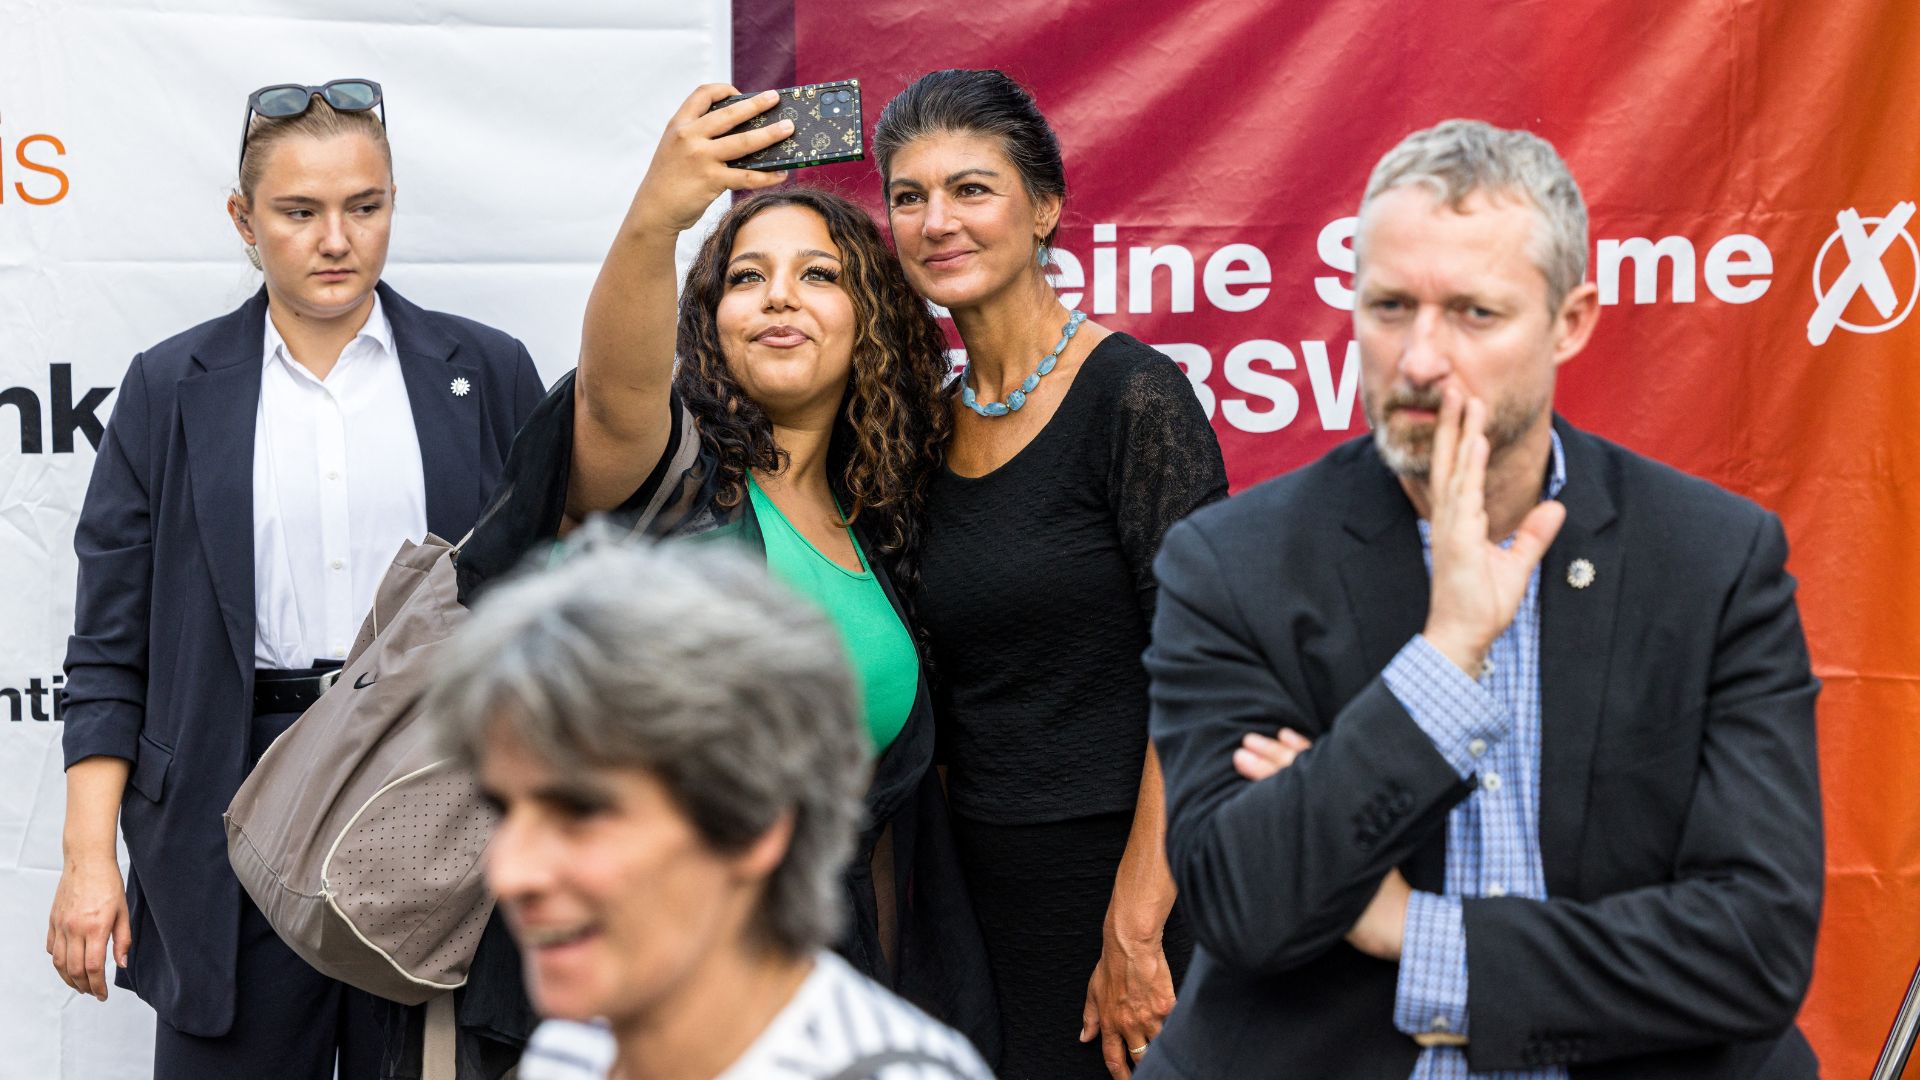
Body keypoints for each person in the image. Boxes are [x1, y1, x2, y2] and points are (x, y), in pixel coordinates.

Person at [1137, 119, 1822, 1080]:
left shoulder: (1710, 561)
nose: (1419, 358)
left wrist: (1410, 929)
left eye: (1473, 314)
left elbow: (1754, 948)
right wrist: (1443, 660)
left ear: (1571, 320)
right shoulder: (1232, 563)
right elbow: (1243, 904)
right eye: (1389, 307)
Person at [454, 84, 995, 1056]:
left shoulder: (883, 532)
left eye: (818, 275)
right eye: (747, 277)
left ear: (867, 319)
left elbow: (870, 830)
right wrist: (658, 216)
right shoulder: (666, 479)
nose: (780, 295)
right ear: (707, 319)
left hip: (810, 1008)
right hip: (619, 1003)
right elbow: (617, 393)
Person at [50, 81, 546, 1079]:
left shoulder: (486, 373)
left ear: (393, 202)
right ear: (244, 219)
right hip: (229, 808)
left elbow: (547, 615)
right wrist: (87, 861)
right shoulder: (168, 388)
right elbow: (110, 652)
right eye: (299, 211)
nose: (337, 239)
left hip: (429, 793)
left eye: (365, 207)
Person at [871, 69, 1229, 1080]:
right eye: (909, 195)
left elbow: (1206, 679)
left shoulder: (1133, 399)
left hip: (1130, 889)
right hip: (976, 897)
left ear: (1046, 209)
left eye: (972, 189)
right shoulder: (920, 425)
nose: (937, 220)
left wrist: (1137, 927)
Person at [428, 534, 994, 1080]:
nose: (509, 872)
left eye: (581, 813)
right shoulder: (574, 1049)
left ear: (752, 823)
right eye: (504, 810)